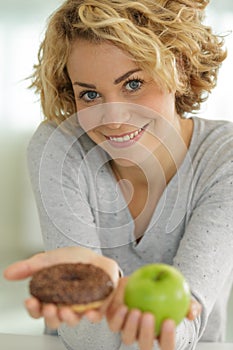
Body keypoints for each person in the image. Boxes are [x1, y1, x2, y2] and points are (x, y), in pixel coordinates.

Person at [4, 0, 233, 349]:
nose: (112, 118)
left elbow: (186, 328)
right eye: (90, 94)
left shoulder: (223, 157)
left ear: (180, 67)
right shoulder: (61, 146)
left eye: (133, 84)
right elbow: (84, 338)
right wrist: (99, 299)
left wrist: (111, 307)